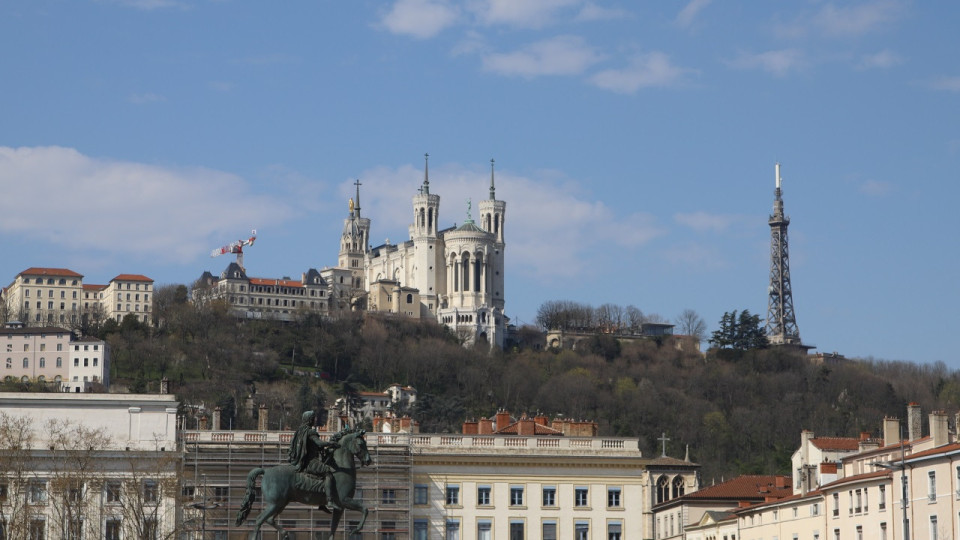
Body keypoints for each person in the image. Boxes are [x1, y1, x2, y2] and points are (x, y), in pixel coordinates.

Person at [288, 411, 343, 512]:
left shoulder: (300, 431)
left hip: (304, 461)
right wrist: (331, 443)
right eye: (314, 418)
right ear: (310, 419)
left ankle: (321, 503)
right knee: (328, 473)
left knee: (322, 477)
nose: (315, 420)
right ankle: (330, 500)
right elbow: (319, 443)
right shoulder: (310, 432)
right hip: (311, 462)